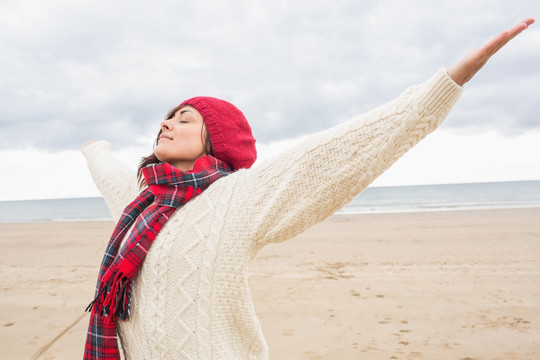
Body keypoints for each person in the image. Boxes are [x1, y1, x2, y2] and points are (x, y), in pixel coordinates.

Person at [81, 18, 534, 360]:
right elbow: (111, 173)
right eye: (167, 115)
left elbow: (336, 154)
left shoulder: (238, 199)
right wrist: (94, 149)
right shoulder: (140, 203)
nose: (167, 122)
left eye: (185, 119)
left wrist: (447, 83)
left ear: (214, 140)